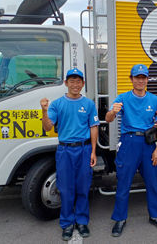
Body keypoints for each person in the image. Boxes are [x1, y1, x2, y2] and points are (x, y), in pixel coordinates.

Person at [105, 64, 157, 237]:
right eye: (137, 77)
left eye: (143, 77)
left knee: (152, 182)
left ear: (147, 79)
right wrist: (113, 111)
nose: (140, 80)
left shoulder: (154, 100)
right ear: (131, 79)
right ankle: (119, 219)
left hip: (148, 144)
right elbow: (108, 119)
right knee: (124, 182)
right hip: (129, 142)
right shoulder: (123, 98)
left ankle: (155, 216)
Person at [40, 68, 99, 241]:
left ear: (82, 84)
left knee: (83, 187)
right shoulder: (57, 104)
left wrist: (93, 151)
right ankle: (67, 224)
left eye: (78, 81)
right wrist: (44, 111)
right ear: (66, 83)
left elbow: (93, 127)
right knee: (65, 189)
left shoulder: (88, 104)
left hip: (84, 149)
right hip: (65, 151)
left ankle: (82, 221)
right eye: (71, 81)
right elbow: (48, 127)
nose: (75, 84)